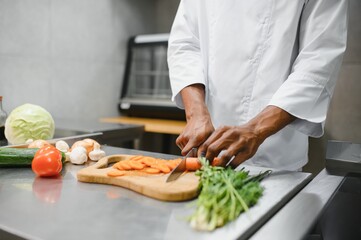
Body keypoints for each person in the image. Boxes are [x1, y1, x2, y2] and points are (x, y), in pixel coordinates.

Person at [167, 0, 348, 171]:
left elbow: (319, 60)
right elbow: (185, 44)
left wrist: (256, 130)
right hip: (207, 145)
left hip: (273, 153)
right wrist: (196, 114)